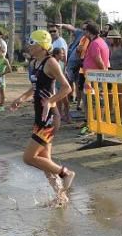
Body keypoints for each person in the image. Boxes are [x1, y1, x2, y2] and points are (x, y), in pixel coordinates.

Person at [10, 30, 75, 204]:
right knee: (45, 161)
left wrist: (50, 101)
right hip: (40, 116)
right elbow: (35, 87)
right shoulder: (35, 63)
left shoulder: (50, 62)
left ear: (41, 45)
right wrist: (21, 98)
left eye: (32, 43)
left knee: (29, 157)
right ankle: (60, 197)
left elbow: (67, 88)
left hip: (49, 118)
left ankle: (66, 173)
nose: (29, 46)